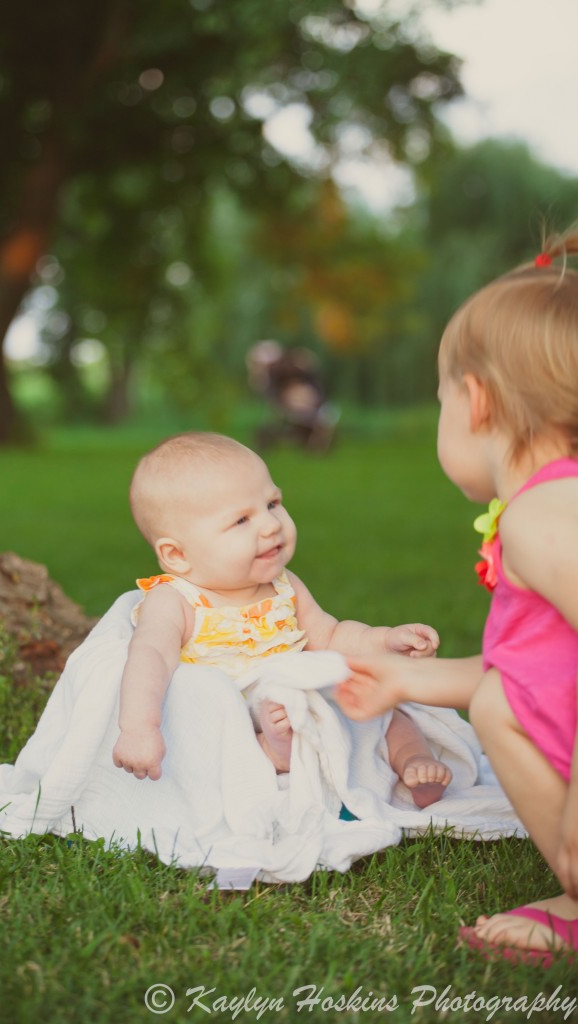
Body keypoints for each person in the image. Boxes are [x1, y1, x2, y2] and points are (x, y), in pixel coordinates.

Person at [335, 228, 578, 965]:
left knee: (499, 707)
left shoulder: (547, 517)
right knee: (500, 695)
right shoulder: (544, 510)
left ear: (474, 402)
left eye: (440, 399)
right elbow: (534, 668)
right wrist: (408, 679)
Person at [112, 431, 452, 809]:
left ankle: (413, 761)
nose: (271, 525)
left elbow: (331, 634)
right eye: (241, 520)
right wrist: (139, 728)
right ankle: (272, 756)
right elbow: (150, 659)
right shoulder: (175, 600)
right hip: (239, 711)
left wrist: (386, 641)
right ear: (177, 555)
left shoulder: (283, 586)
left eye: (272, 503)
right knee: (219, 742)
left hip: (302, 694)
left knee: (384, 709)